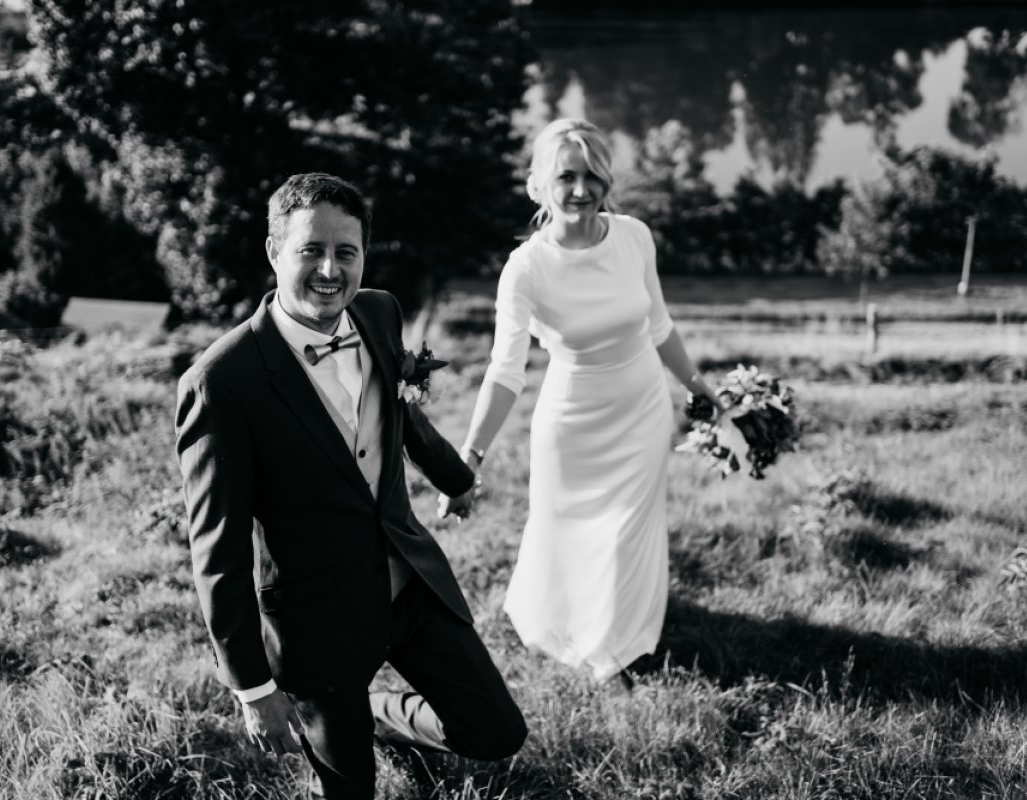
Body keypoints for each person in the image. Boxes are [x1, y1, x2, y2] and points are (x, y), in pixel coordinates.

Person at [175, 172, 526, 799]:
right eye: (311, 250)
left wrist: (456, 477)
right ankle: (348, 725)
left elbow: (402, 417)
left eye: (347, 252)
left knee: (496, 732)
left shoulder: (378, 311)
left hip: (407, 585)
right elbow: (217, 550)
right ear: (274, 251)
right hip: (317, 623)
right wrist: (252, 687)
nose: (330, 270)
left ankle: (383, 716)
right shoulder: (221, 382)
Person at [449, 118, 729, 687]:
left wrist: (696, 383)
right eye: (567, 177)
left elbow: (658, 325)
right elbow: (505, 372)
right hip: (571, 421)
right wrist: (468, 459)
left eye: (593, 175)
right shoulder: (526, 269)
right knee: (572, 535)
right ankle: (582, 633)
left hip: (642, 409)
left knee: (627, 536)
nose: (582, 190)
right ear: (538, 185)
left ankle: (616, 652)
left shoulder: (635, 237)